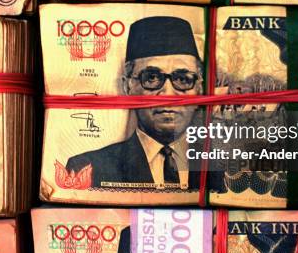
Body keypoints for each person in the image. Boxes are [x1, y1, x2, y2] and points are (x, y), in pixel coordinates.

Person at [65, 17, 204, 189]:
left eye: (183, 79)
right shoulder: (87, 168)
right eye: (152, 78)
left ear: (199, 88)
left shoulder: (226, 162)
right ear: (127, 87)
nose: (168, 94)